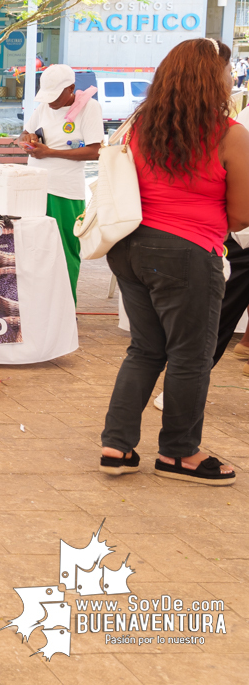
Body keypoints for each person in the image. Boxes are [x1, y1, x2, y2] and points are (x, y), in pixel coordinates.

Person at [100, 38, 246, 487]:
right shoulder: (229, 134)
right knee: (190, 356)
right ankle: (179, 453)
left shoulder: (137, 124)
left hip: (129, 246)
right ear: (213, 79)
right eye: (226, 72)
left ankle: (116, 445)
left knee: (146, 349)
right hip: (186, 253)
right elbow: (241, 215)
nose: (230, 79)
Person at [20, 64, 104, 299]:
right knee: (35, 250)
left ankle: (66, 308)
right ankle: (38, 304)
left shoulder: (90, 108)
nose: (51, 102)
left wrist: (50, 153)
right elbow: (23, 133)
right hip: (34, 188)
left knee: (65, 250)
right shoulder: (42, 108)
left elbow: (95, 151)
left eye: (56, 96)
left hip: (65, 192)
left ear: (71, 89)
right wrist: (28, 139)